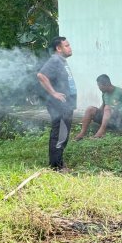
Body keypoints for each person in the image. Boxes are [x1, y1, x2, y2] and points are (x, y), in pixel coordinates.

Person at [37, 36, 77, 172]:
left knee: (62, 134)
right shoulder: (55, 60)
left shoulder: (61, 61)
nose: (69, 47)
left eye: (69, 45)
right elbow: (41, 76)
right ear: (58, 48)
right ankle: (56, 166)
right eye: (66, 46)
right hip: (59, 105)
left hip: (66, 104)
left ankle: (58, 163)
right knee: (60, 134)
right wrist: (54, 93)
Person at [74, 74, 122, 140]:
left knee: (107, 108)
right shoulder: (104, 93)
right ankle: (82, 133)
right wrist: (92, 116)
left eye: (99, 86)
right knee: (90, 109)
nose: (99, 88)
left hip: (120, 120)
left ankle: (101, 132)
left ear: (106, 84)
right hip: (109, 119)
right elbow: (103, 107)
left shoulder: (120, 92)